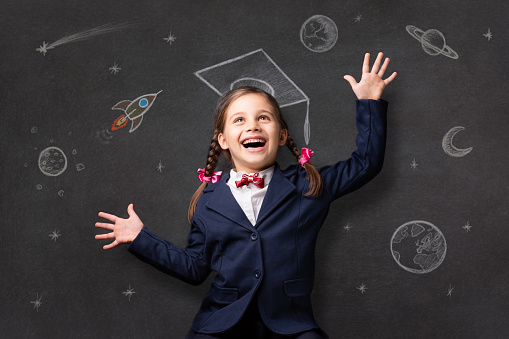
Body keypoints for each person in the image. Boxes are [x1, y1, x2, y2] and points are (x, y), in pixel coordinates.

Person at [95, 52, 397, 338]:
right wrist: (140, 237)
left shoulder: (309, 185)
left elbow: (366, 163)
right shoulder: (208, 200)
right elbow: (194, 267)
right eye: (239, 119)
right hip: (221, 323)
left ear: (281, 136)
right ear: (224, 140)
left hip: (291, 323)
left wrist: (369, 102)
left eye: (263, 118)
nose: (252, 125)